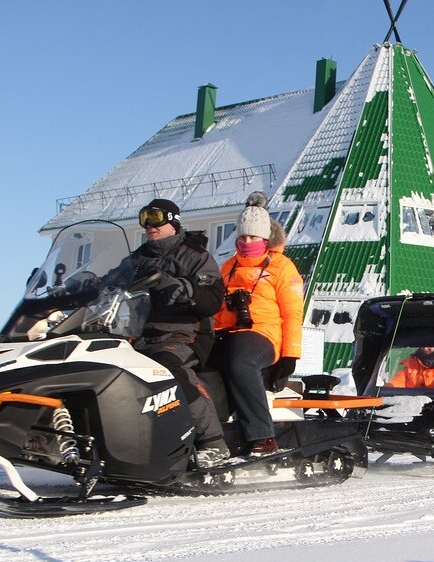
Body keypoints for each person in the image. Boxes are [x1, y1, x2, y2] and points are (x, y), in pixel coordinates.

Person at [130, 198, 229, 465]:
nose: (149, 225)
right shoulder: (138, 259)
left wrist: (184, 290)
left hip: (185, 333)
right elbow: (111, 282)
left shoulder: (195, 255)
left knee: (168, 367)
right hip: (139, 333)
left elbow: (212, 299)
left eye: (156, 217)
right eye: (144, 218)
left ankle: (213, 441)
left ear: (172, 221)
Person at [212, 192, 304, 455]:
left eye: (253, 237)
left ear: (265, 239)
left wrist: (290, 355)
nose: (247, 242)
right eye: (242, 236)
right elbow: (216, 307)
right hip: (227, 332)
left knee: (241, 359)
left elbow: (292, 313)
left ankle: (262, 435)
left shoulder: (282, 267)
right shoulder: (227, 266)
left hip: (264, 333)